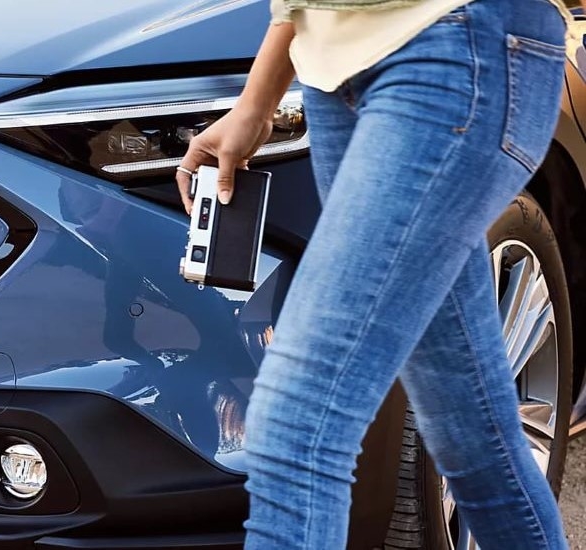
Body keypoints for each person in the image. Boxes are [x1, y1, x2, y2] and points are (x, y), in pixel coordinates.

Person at [176, 0, 572, 546]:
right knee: (471, 434)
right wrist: (257, 101)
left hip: (455, 43)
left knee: (297, 421)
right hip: (332, 68)